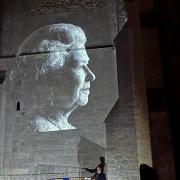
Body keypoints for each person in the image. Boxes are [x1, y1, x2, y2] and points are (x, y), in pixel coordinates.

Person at [13, 23, 96, 132]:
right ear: (53, 78)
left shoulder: (61, 126)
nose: (91, 76)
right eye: (80, 66)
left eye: (87, 64)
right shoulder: (38, 128)